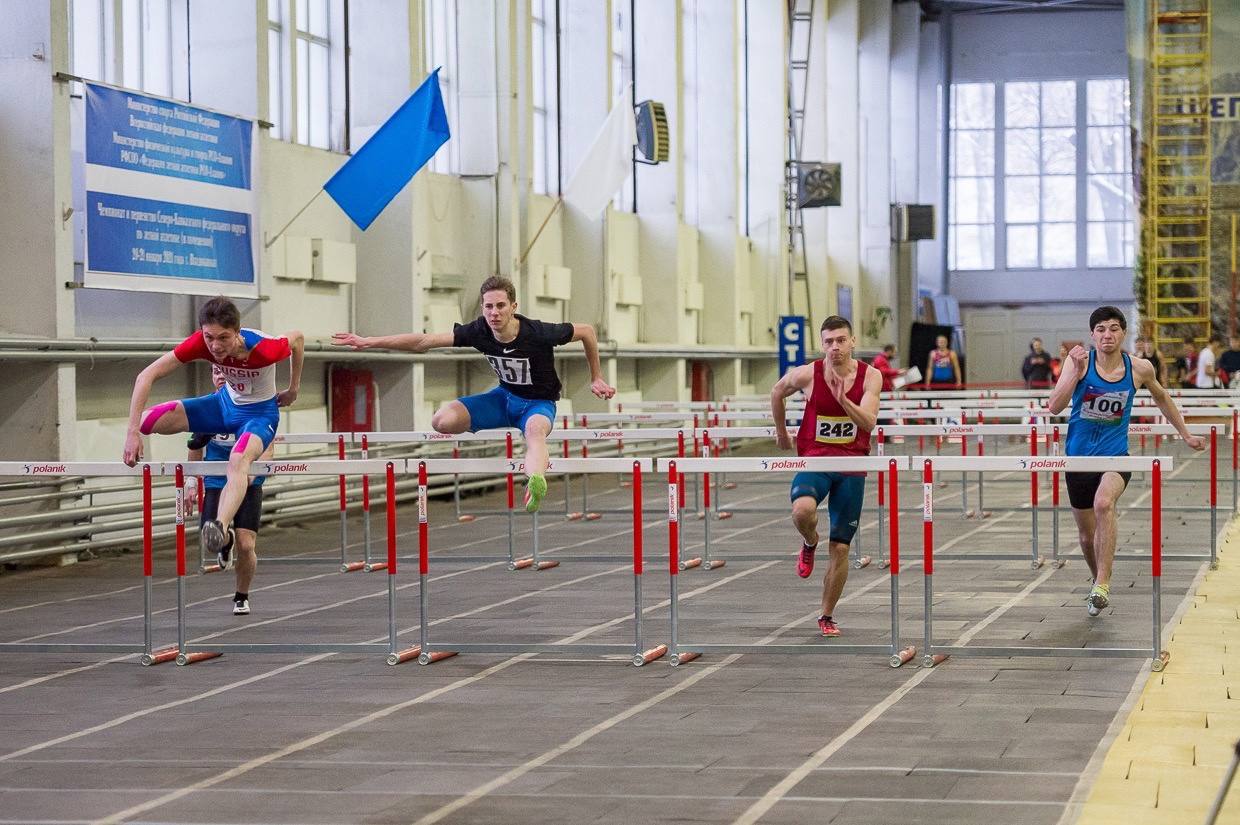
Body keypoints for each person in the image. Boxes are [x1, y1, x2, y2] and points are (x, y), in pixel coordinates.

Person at [332, 276, 615, 512]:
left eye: (501, 306)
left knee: (535, 433)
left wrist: (596, 377)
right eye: (489, 307)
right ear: (482, 307)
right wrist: (369, 341)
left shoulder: (539, 332)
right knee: (441, 421)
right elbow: (424, 341)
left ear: (513, 307)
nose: (494, 313)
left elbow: (587, 331)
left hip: (538, 404)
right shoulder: (479, 330)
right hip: (503, 399)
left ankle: (535, 481)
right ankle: (528, 463)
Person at [1047, 306, 1204, 618]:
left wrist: (1185, 434)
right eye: (1102, 329)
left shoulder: (1140, 368)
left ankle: (1104, 583)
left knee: (1105, 503)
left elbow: (1162, 398)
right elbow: (1054, 406)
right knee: (1086, 536)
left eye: (1115, 329)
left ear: (1123, 333)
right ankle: (1097, 582)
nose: (1108, 335)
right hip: (1078, 459)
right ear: (1093, 335)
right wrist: (1075, 374)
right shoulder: (1079, 361)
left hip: (1116, 456)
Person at [122, 297, 303, 560]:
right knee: (145, 421)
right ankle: (220, 528)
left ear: (238, 333)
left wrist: (293, 389)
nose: (215, 346)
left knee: (238, 459)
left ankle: (220, 525)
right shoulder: (200, 343)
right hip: (223, 405)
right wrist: (132, 434)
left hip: (259, 415)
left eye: (223, 338)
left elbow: (297, 338)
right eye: (209, 337)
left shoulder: (265, 350)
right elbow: (145, 376)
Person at [771, 315, 882, 638]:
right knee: (802, 511)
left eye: (841, 340)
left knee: (842, 549)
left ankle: (826, 614)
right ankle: (809, 541)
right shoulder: (808, 374)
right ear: (822, 345)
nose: (835, 347)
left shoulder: (870, 376)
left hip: (851, 465)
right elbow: (777, 391)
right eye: (829, 342)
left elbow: (868, 423)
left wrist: (843, 399)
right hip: (815, 460)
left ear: (852, 341)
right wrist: (781, 432)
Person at [186, 366, 275, 614]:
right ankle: (226, 542)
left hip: (248, 481)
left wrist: (252, 474)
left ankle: (241, 595)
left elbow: (267, 447)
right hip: (217, 481)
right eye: (215, 372)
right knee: (210, 539)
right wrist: (191, 483)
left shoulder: (254, 404)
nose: (220, 377)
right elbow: (194, 447)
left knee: (247, 546)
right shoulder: (209, 408)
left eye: (224, 372)